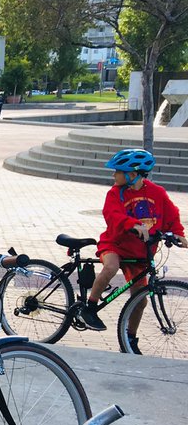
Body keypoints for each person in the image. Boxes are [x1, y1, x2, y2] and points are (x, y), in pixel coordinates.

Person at [77, 149, 185, 352]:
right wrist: (132, 224)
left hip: (140, 252)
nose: (113, 175)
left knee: (141, 299)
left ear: (133, 174)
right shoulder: (115, 193)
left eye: (117, 171)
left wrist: (178, 234)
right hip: (115, 244)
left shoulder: (157, 193)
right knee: (110, 267)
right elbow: (112, 214)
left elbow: (172, 215)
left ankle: (130, 340)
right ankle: (89, 307)